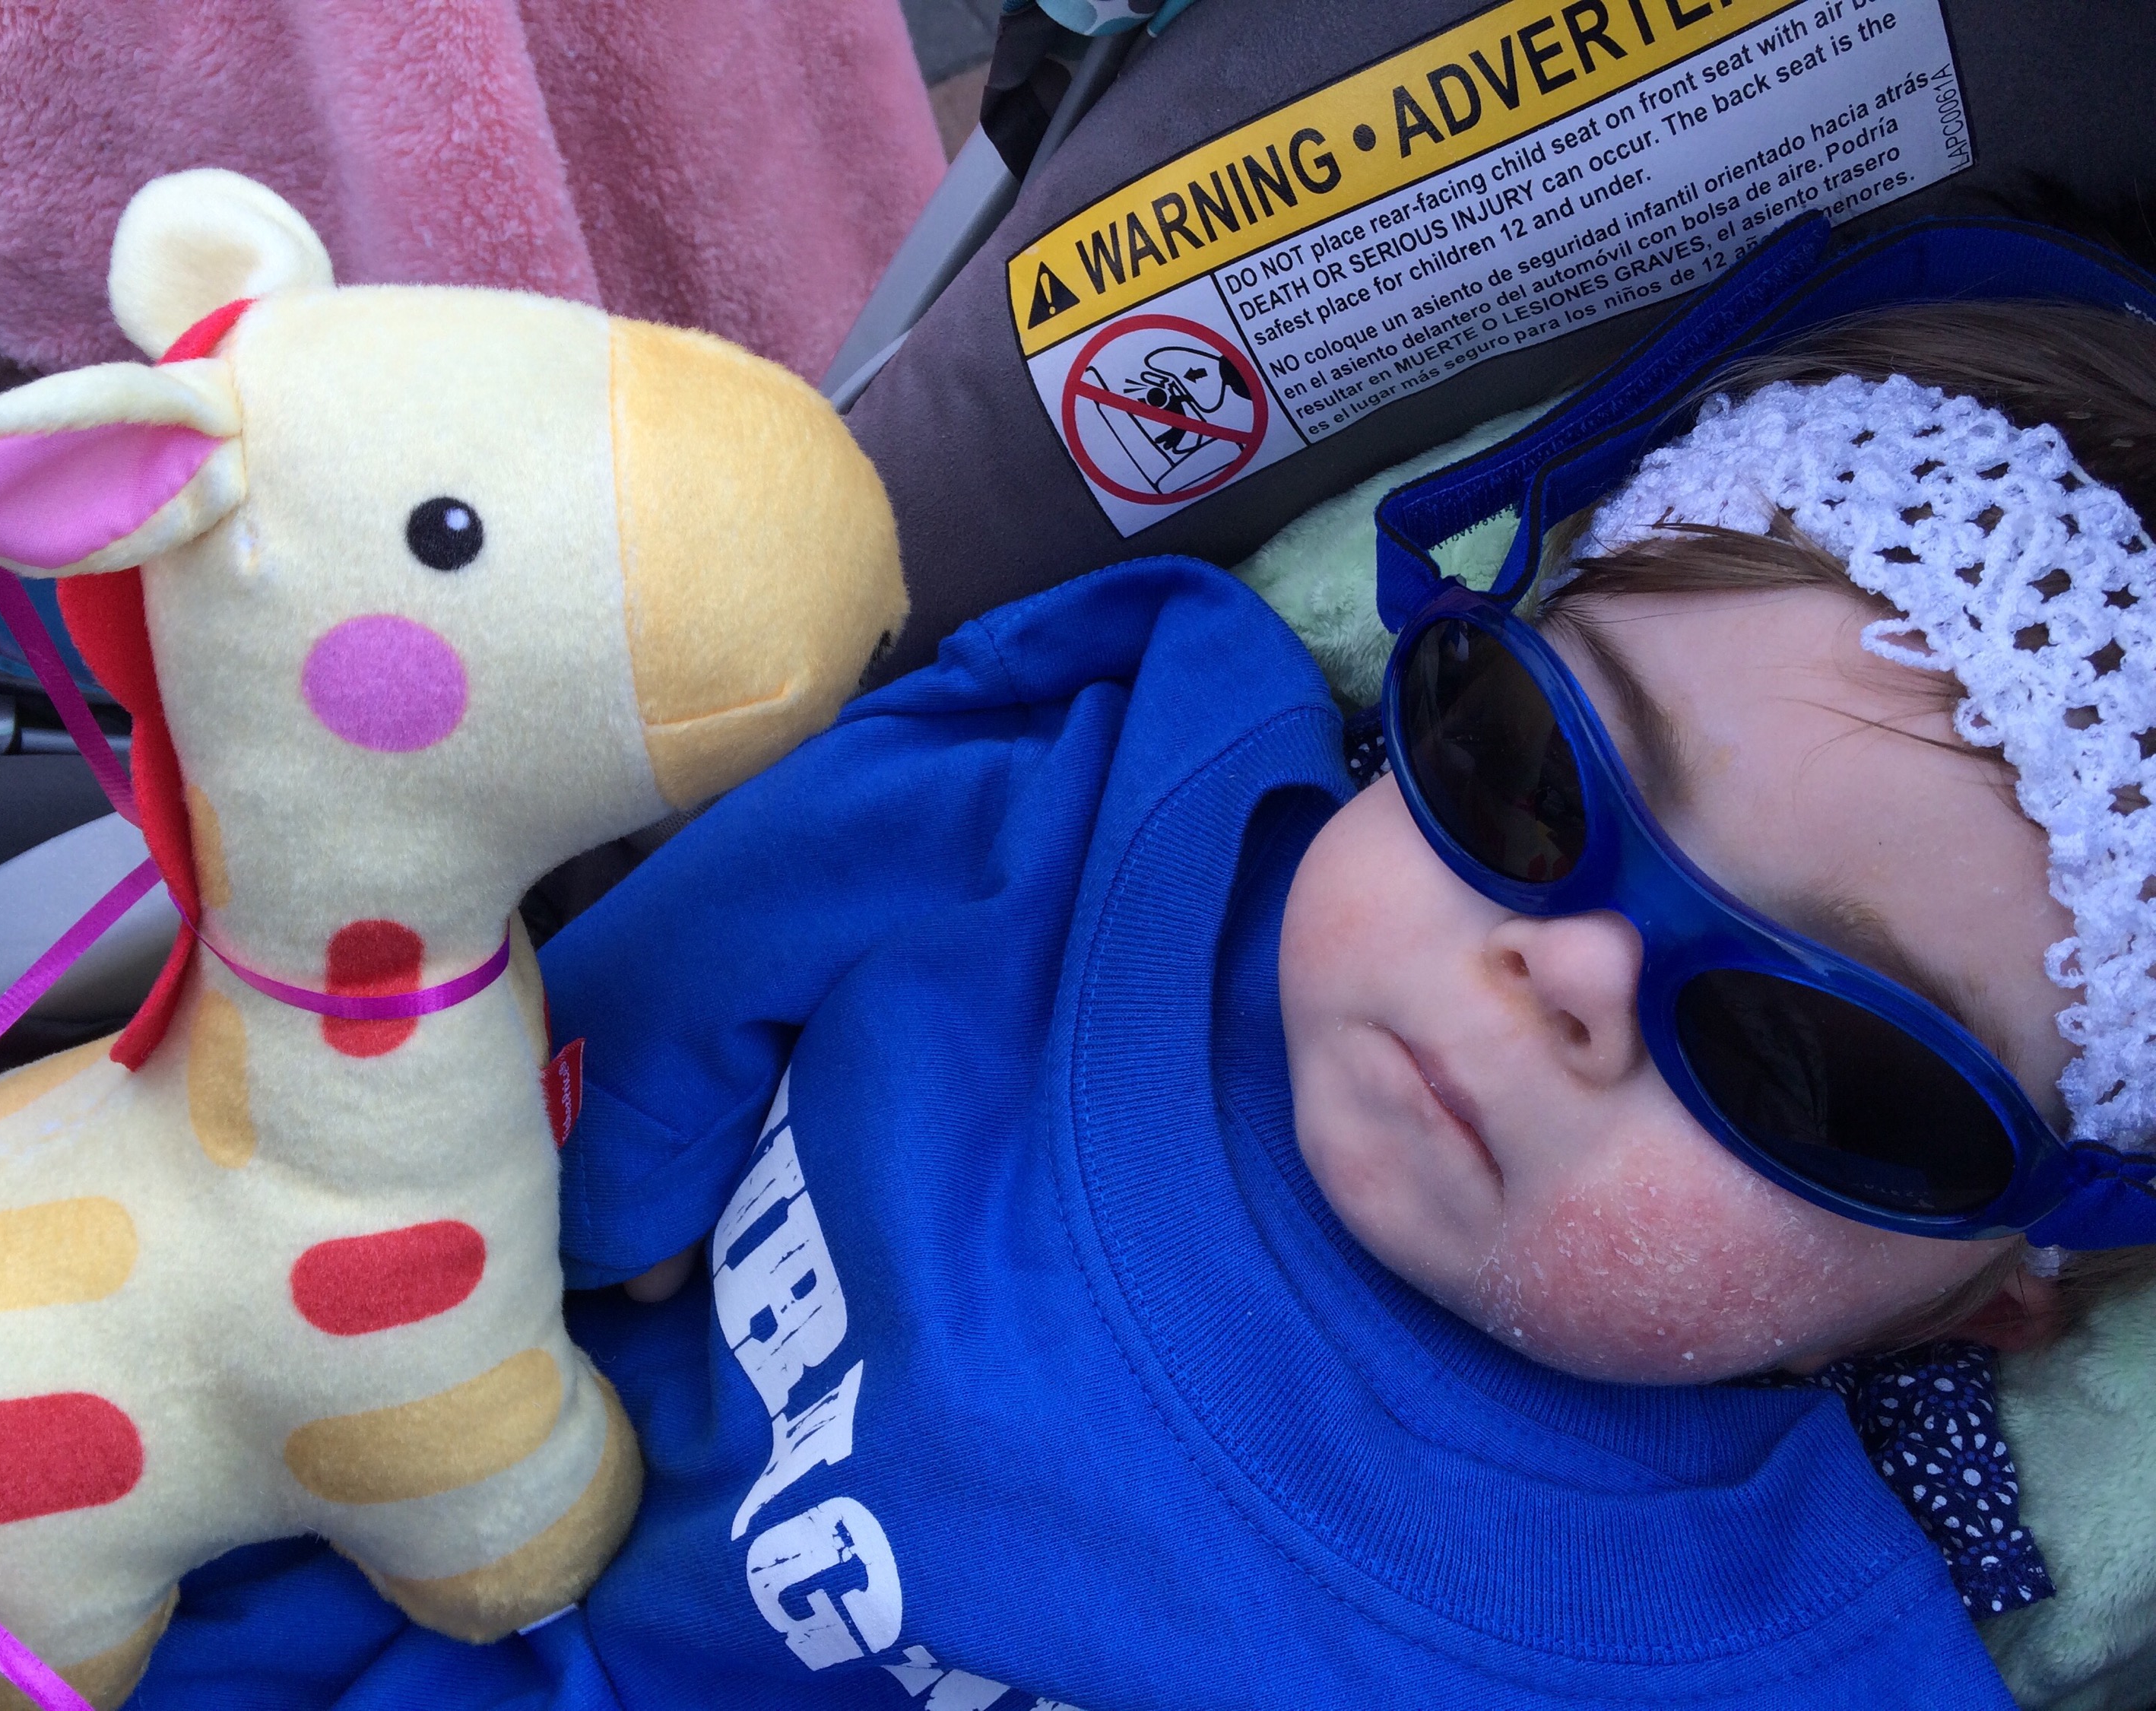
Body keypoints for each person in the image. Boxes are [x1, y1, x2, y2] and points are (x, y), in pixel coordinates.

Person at [531, 287, 2156, 1709]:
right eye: (1529, 772)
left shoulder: (1795, 1669)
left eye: (1807, 1056)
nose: (1572, 968)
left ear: (1984, 1297)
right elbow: (552, 1069)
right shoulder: (1125, 769)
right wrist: (544, 1218)